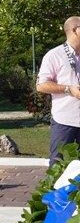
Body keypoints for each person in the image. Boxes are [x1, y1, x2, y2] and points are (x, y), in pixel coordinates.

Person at [36, 16, 80, 165]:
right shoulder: (55, 55)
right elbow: (41, 85)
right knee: (58, 166)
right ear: (76, 30)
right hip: (65, 120)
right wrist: (69, 89)